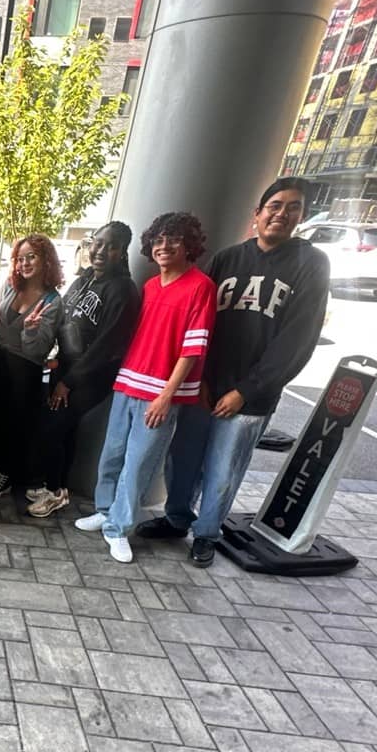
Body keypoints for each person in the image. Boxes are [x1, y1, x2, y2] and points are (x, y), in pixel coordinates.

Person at [136, 178, 330, 566]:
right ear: (256, 214)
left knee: (225, 467)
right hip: (203, 386)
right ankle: (177, 519)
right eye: (274, 206)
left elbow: (297, 340)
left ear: (301, 216)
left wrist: (246, 390)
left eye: (292, 207)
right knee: (183, 459)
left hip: (250, 397)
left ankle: (207, 533)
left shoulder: (311, 264)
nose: (281, 213)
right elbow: (200, 324)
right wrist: (201, 379)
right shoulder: (227, 259)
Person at [75, 212, 215, 564]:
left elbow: (193, 350)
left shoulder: (201, 287)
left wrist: (166, 396)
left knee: (139, 464)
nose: (164, 246)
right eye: (158, 240)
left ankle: (119, 528)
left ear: (190, 245)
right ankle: (105, 511)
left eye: (174, 239)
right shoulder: (150, 286)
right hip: (128, 382)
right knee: (113, 455)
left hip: (160, 394)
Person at [27, 222, 142, 519]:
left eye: (111, 246)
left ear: (121, 252)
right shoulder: (84, 280)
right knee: (61, 430)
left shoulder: (123, 290)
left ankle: (54, 492)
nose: (101, 250)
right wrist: (52, 358)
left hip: (89, 377)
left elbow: (108, 346)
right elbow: (65, 323)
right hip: (64, 367)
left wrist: (68, 381)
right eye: (98, 243)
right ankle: (57, 487)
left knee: (55, 427)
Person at [0, 234, 65, 502]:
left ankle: (6, 476)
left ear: (46, 260)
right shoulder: (10, 286)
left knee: (16, 424)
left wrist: (29, 330)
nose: (24, 263)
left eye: (31, 257)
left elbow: (38, 350)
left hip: (25, 370)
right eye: (20, 258)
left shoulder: (52, 301)